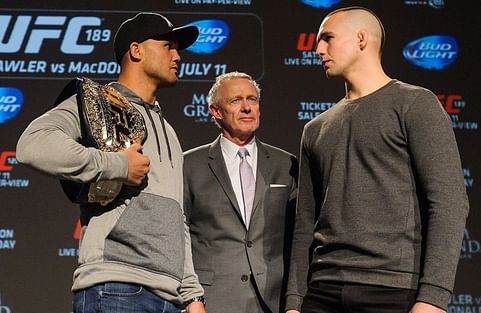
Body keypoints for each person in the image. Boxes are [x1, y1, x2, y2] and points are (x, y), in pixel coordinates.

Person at [16, 12, 206, 313]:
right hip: (116, 287)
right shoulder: (99, 103)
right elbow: (32, 144)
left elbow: (176, 215)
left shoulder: (168, 130)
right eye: (168, 45)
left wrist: (192, 294)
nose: (177, 55)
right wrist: (117, 165)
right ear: (136, 50)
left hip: (170, 298)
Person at [285, 7, 469, 313]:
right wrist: (294, 301)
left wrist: (433, 298)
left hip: (393, 291)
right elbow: (305, 222)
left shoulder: (414, 104)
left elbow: (449, 202)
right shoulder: (314, 129)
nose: (317, 49)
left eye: (327, 38)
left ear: (361, 39)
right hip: (322, 292)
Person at [183, 71, 298, 313]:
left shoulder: (286, 165)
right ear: (216, 111)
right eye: (236, 101)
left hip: (273, 303)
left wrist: (293, 303)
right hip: (212, 302)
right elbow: (177, 239)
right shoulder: (189, 165)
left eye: (252, 100)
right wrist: (192, 301)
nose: (247, 107)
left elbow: (298, 240)